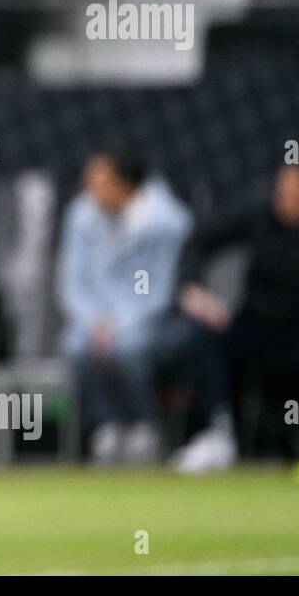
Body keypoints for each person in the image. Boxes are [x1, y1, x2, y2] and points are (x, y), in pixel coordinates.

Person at [170, 157, 299, 476]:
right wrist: (193, 289)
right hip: (256, 331)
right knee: (204, 331)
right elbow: (199, 241)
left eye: (297, 191)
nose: (286, 198)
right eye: (283, 189)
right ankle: (218, 434)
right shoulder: (259, 215)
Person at [56, 150, 193, 464]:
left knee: (130, 349)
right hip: (95, 321)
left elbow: (157, 287)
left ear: (125, 184)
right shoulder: (80, 216)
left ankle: (146, 428)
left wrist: (120, 325)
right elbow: (73, 283)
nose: (90, 188)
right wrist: (94, 322)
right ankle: (106, 427)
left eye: (100, 181)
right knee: (75, 347)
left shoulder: (167, 222)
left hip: (149, 321)